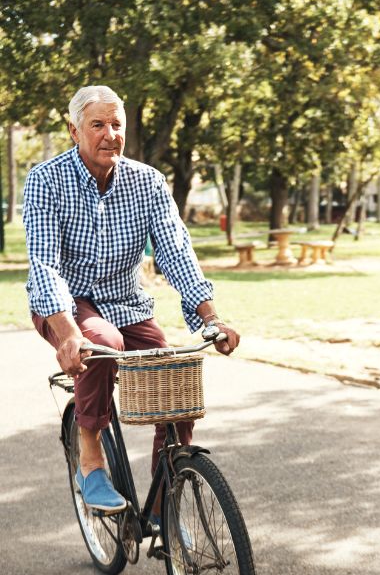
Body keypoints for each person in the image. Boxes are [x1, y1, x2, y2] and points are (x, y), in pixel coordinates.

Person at [24, 85, 240, 512]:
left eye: (117, 124)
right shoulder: (45, 180)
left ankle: (164, 501)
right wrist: (67, 333)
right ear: (74, 131)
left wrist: (211, 319)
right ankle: (91, 459)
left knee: (174, 379)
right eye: (97, 124)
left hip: (126, 302)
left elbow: (176, 251)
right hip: (67, 304)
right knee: (102, 342)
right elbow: (44, 266)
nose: (110, 134)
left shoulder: (148, 182)